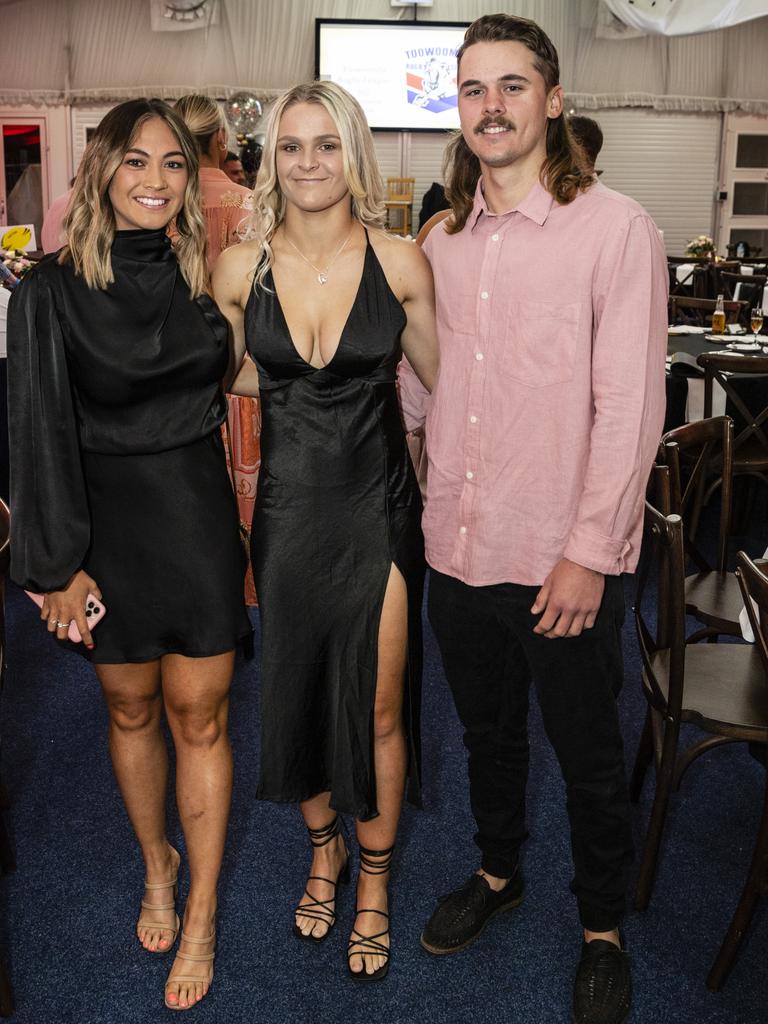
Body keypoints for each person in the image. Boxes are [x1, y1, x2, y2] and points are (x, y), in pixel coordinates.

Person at [399, 14, 667, 1024]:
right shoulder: (445, 243)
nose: (492, 107)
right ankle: (498, 871)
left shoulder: (617, 231)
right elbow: (423, 389)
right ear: (456, 108)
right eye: (474, 90)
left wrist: (591, 555)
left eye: (514, 87)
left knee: (592, 756)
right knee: (486, 734)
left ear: (553, 101)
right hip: (458, 547)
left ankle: (602, 928)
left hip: (561, 559)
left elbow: (631, 409)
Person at [7, 98, 251, 1011]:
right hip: (99, 527)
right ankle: (157, 861)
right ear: (103, 170)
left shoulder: (208, 279)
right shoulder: (51, 288)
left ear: (194, 178)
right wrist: (52, 565)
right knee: (129, 706)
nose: (156, 180)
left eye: (175, 164)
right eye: (137, 161)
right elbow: (33, 431)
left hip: (192, 518)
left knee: (202, 716)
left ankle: (203, 912)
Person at [213, 80, 438, 982]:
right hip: (289, 511)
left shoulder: (402, 261)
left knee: (379, 707)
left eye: (327, 145)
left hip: (378, 507)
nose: (309, 163)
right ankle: (325, 849)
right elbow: (220, 376)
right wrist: (306, 400)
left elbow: (452, 387)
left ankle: (374, 882)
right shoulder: (240, 268)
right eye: (293, 146)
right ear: (273, 159)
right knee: (296, 694)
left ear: (354, 153)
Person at [174, 94, 260, 606]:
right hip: (243, 383)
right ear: (221, 140)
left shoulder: (158, 208)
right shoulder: (249, 207)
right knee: (244, 517)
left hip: (176, 388)